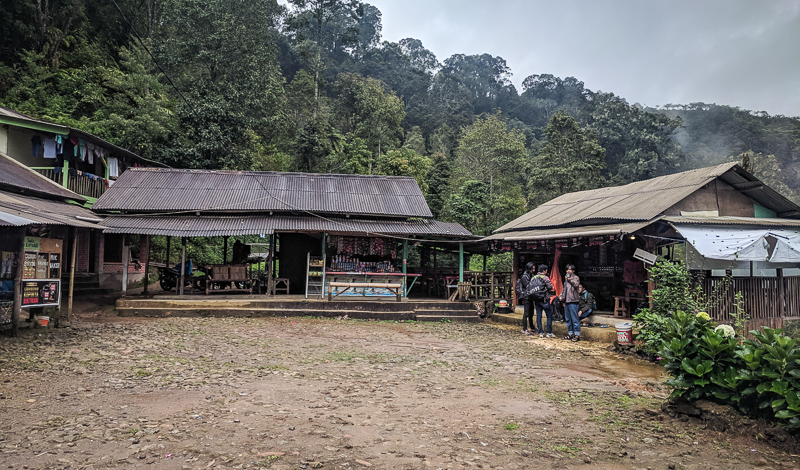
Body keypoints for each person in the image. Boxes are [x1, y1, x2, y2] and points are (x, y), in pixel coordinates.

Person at [532, 264, 556, 338]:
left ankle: (541, 332)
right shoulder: (545, 278)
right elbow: (550, 287)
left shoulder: (533, 278)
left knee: (539, 316)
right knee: (549, 315)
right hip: (545, 299)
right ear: (544, 270)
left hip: (536, 299)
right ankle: (548, 332)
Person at [559, 264, 581, 342]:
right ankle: (570, 334)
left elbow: (575, 285)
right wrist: (561, 296)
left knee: (575, 319)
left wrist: (569, 280)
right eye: (567, 269)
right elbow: (564, 289)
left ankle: (577, 335)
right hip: (567, 301)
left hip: (573, 301)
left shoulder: (576, 278)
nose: (568, 271)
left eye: (570, 269)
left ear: (573, 270)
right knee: (568, 319)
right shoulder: (566, 279)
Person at [519, 262, 536, 335]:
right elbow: (528, 286)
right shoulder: (524, 276)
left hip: (531, 296)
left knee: (531, 312)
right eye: (533, 269)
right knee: (526, 313)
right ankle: (525, 328)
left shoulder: (530, 275)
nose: (534, 270)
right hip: (526, 296)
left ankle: (532, 327)